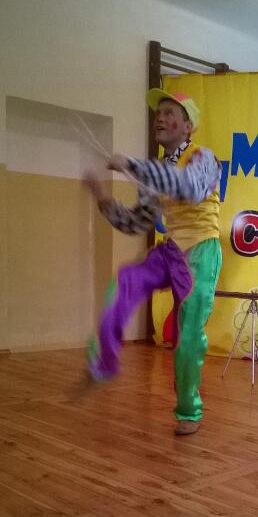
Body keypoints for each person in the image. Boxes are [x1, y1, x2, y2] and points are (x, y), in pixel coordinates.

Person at [84, 88, 222, 435]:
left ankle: (188, 411)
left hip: (201, 254)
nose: (159, 118)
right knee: (126, 281)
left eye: (169, 113)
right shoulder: (156, 171)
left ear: (188, 126)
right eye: (158, 113)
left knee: (186, 336)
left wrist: (133, 166)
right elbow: (137, 222)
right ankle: (105, 359)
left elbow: (188, 187)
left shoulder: (203, 157)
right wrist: (103, 199)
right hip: (171, 251)